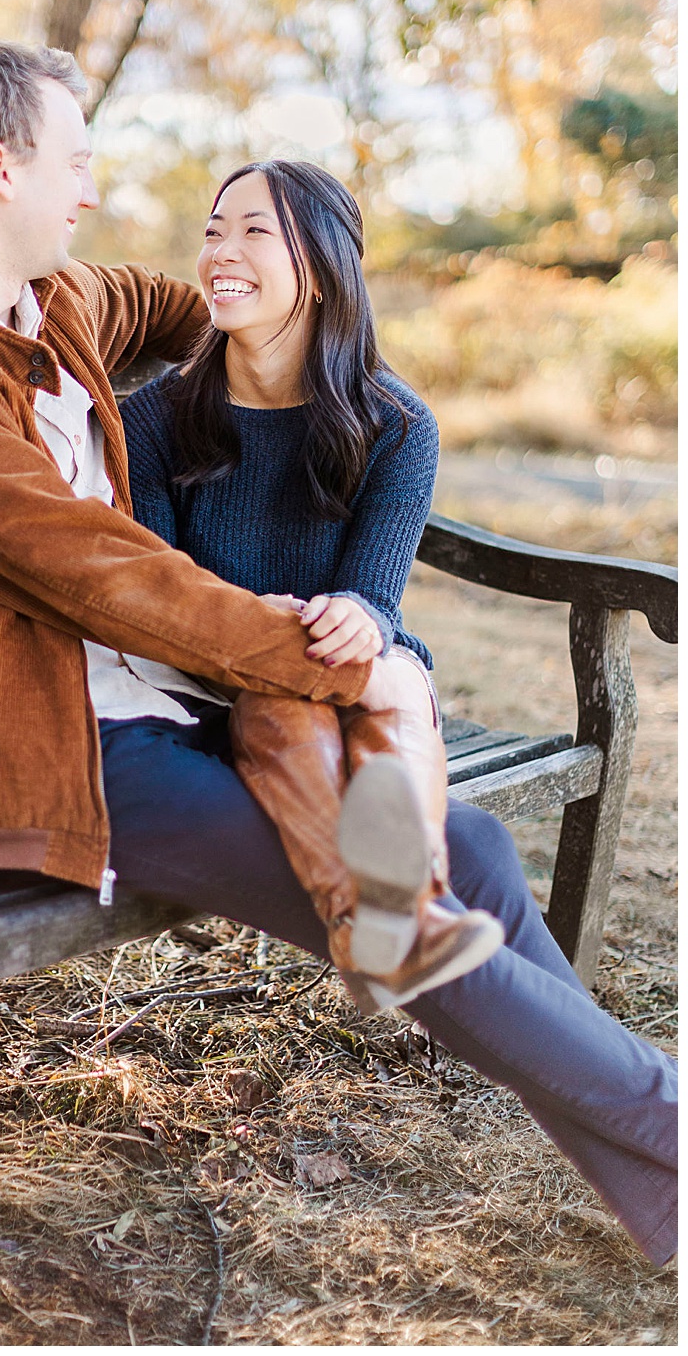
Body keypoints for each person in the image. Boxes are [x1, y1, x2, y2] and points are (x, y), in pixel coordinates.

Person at [0, 39, 676, 1264]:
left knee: (468, 846)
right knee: (393, 913)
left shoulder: (50, 299)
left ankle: (661, 1206)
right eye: (75, 161)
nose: (93, 190)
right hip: (18, 733)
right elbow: (100, 576)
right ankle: (668, 1123)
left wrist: (267, 312)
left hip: (148, 699)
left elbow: (185, 307)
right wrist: (336, 660)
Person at [120, 159, 504, 1011]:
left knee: (397, 681)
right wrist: (267, 633)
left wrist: (359, 617)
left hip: (352, 667)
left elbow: (375, 596)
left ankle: (403, 923)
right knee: (284, 699)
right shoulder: (154, 418)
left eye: (255, 230)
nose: (222, 248)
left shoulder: (396, 424)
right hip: (218, 682)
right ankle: (383, 924)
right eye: (214, 229)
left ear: (323, 271)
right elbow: (156, 594)